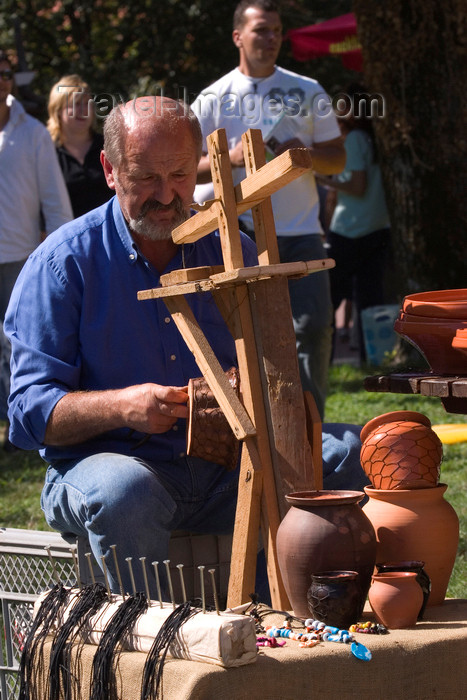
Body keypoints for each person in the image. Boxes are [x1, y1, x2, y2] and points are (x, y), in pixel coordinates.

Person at [5, 96, 367, 599]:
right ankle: (154, 655)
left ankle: (284, 629)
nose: (167, 195)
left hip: (225, 467)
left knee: (350, 453)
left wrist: (256, 389)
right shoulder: (63, 264)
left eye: (178, 175)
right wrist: (123, 407)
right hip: (113, 464)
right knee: (125, 492)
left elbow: (278, 372)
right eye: (146, 177)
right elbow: (27, 414)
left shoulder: (231, 248)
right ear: (110, 170)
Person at [191, 0, 346, 419]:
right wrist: (232, 157)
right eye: (262, 30)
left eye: (277, 30)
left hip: (301, 231)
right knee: (248, 336)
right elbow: (186, 166)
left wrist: (307, 152)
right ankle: (263, 423)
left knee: (314, 330)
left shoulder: (307, 89)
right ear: (238, 36)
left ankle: (313, 424)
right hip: (239, 233)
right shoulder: (212, 98)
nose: (272, 38)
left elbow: (338, 159)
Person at [0, 50, 72, 448]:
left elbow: (54, 199)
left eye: (7, 73)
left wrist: (61, 256)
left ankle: (20, 425)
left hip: (19, 255)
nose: (2, 80)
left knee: (16, 343)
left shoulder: (31, 132)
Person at [316, 85, 392, 362]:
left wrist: (321, 178)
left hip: (350, 230)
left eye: (341, 104)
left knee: (334, 297)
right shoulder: (374, 138)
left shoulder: (354, 139)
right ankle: (374, 358)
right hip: (377, 226)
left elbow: (357, 186)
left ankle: (327, 360)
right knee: (371, 298)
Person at [47, 74, 113, 217]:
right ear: (58, 110)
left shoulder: (109, 146)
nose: (83, 110)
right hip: (66, 235)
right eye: (76, 104)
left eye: (87, 103)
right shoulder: (47, 152)